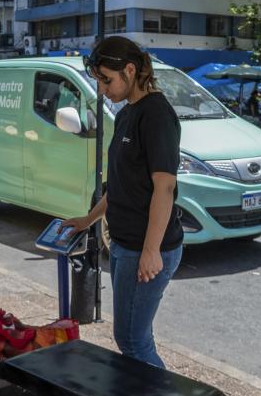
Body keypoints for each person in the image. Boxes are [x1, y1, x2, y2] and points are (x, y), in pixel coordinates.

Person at [63, 36, 182, 369]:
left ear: (130, 70)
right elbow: (120, 185)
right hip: (124, 244)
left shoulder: (156, 115)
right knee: (136, 336)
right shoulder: (129, 113)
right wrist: (88, 220)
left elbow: (165, 189)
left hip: (145, 247)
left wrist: (151, 250)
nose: (102, 89)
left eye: (106, 79)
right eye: (99, 80)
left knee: (132, 340)